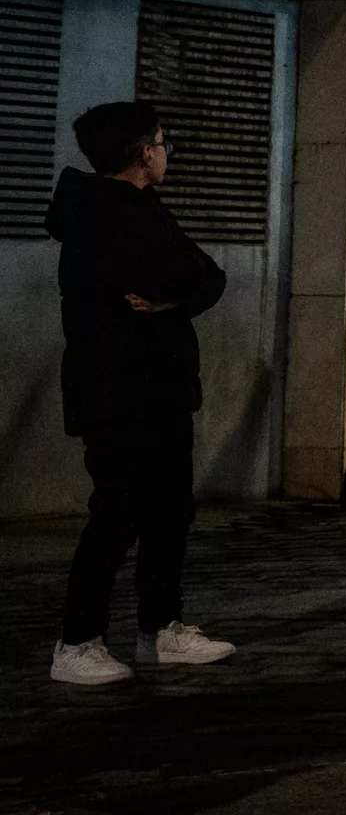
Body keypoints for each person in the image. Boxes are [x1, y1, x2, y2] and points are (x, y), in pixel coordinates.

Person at [50, 100, 234, 686]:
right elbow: (194, 274)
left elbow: (203, 276)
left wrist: (173, 299)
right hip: (120, 392)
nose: (166, 149)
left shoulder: (137, 208)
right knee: (118, 513)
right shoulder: (110, 214)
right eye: (161, 140)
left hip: (156, 390)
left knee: (168, 512)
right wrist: (176, 292)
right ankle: (76, 642)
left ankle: (161, 631)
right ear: (141, 152)